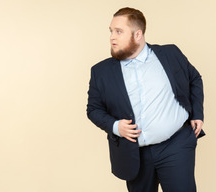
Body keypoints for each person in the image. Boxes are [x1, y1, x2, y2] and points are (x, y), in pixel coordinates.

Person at [87, 7, 205, 192]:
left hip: (176, 146)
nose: (112, 37)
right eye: (111, 31)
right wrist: (116, 126)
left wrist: (197, 114)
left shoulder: (170, 54)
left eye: (119, 31)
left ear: (138, 34)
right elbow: (93, 109)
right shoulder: (100, 72)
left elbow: (194, 79)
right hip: (134, 155)